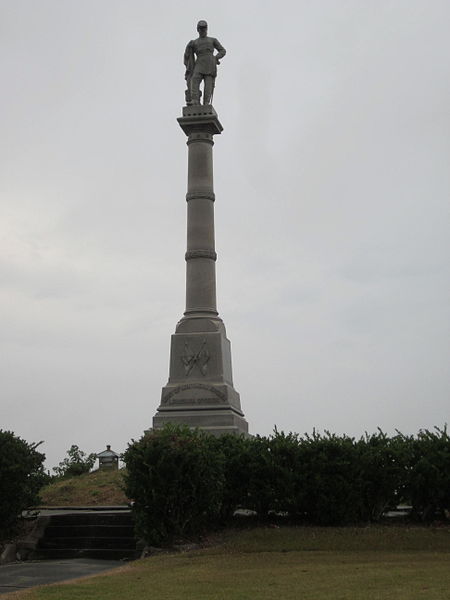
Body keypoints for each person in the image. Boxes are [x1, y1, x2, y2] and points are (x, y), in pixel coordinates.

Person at [184, 20, 226, 105]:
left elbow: (223, 51)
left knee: (208, 84)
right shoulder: (194, 42)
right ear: (198, 30)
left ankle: (206, 103)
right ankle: (195, 100)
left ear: (207, 29)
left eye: (204, 29)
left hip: (210, 63)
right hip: (199, 63)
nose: (203, 30)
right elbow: (187, 55)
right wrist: (188, 47)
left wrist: (216, 58)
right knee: (194, 79)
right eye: (201, 29)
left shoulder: (213, 40)